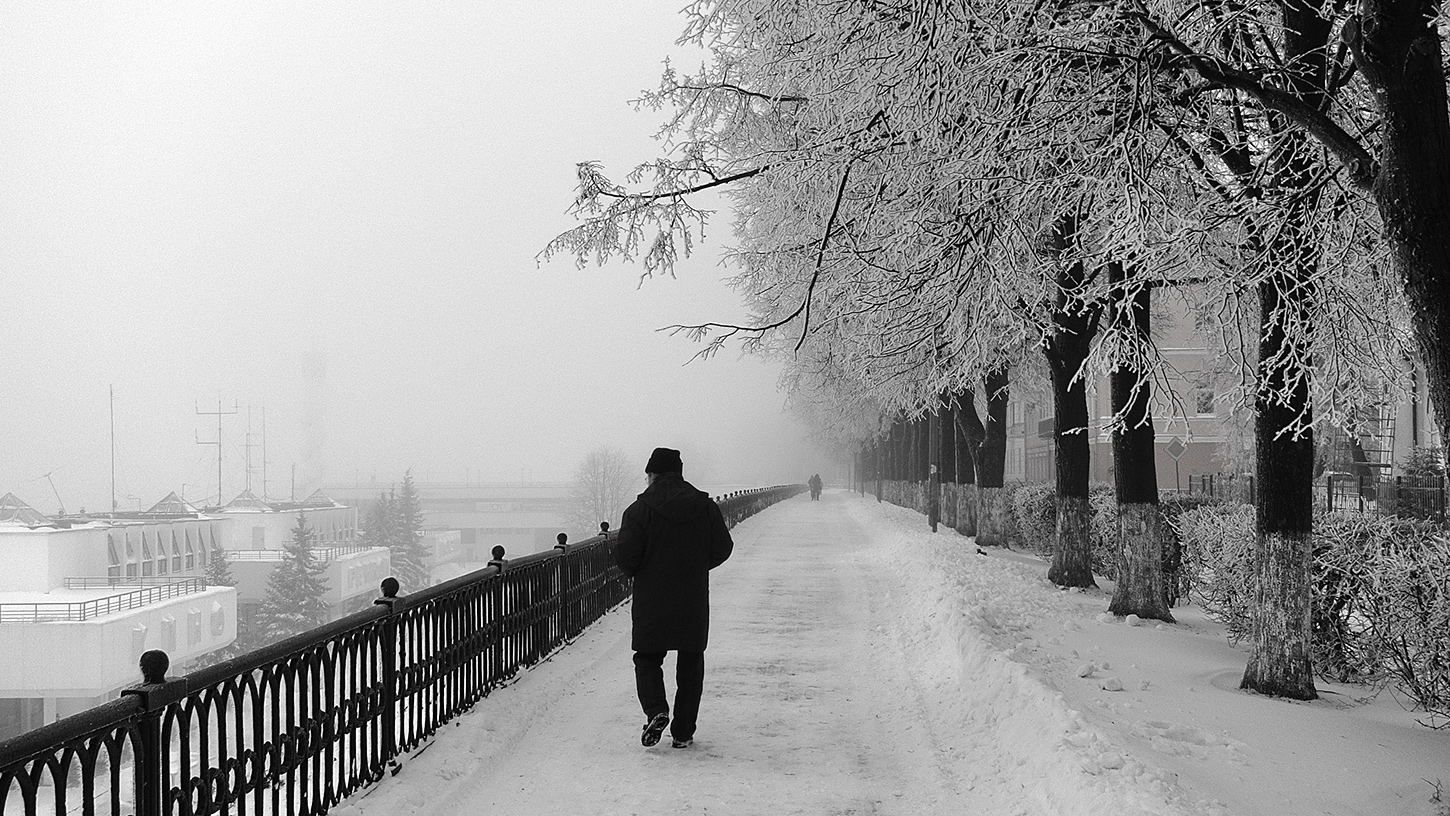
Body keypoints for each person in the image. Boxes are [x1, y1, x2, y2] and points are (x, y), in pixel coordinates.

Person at [615, 446, 734, 749]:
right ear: (679, 472)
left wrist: (645, 568)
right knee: (691, 661)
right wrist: (695, 565)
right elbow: (723, 547)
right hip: (691, 595)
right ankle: (683, 731)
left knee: (647, 657)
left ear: (652, 474)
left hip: (651, 597)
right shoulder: (704, 507)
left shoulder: (638, 511)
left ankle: (656, 710)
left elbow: (627, 558)